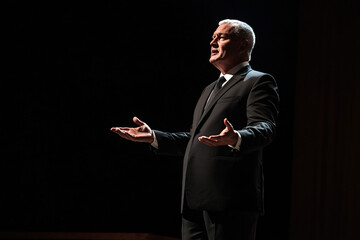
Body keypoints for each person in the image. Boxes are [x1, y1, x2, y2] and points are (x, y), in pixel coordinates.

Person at [111, 19, 279, 240]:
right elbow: (196, 138)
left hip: (228, 201)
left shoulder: (258, 81)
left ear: (243, 45)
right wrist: (154, 137)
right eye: (213, 37)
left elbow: (264, 128)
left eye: (221, 37)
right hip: (193, 202)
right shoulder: (209, 89)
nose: (213, 42)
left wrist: (236, 137)